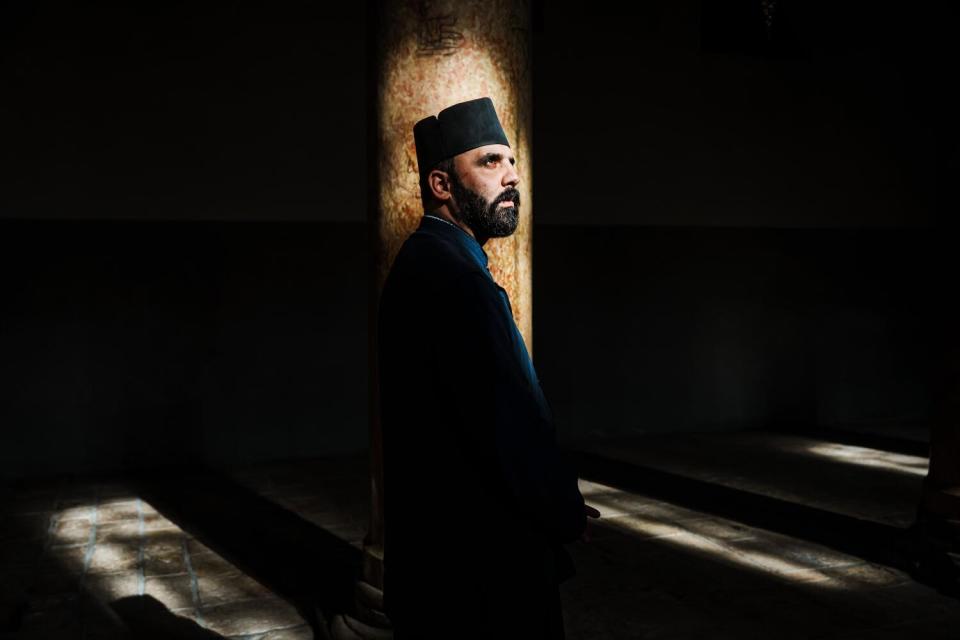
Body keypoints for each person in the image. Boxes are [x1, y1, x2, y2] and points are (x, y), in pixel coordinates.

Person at [377, 97, 599, 639]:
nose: (513, 176)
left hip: (455, 559)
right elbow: (506, 424)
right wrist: (559, 507)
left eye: (512, 162)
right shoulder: (455, 279)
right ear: (441, 184)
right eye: (490, 161)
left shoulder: (432, 259)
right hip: (481, 567)